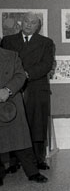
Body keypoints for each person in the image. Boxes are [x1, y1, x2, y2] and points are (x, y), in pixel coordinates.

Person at [0, 12, 55, 171]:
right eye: (26, 21)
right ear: (21, 22)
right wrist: (15, 80)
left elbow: (46, 64)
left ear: (38, 26)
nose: (29, 24)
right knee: (12, 123)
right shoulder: (8, 41)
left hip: (36, 87)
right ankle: (13, 162)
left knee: (37, 124)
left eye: (33, 22)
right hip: (12, 89)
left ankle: (39, 160)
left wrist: (24, 74)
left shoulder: (46, 42)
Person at [0, 47, 48, 185]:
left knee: (21, 141)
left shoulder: (12, 56)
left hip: (12, 103)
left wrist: (8, 90)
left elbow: (20, 75)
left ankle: (32, 172)